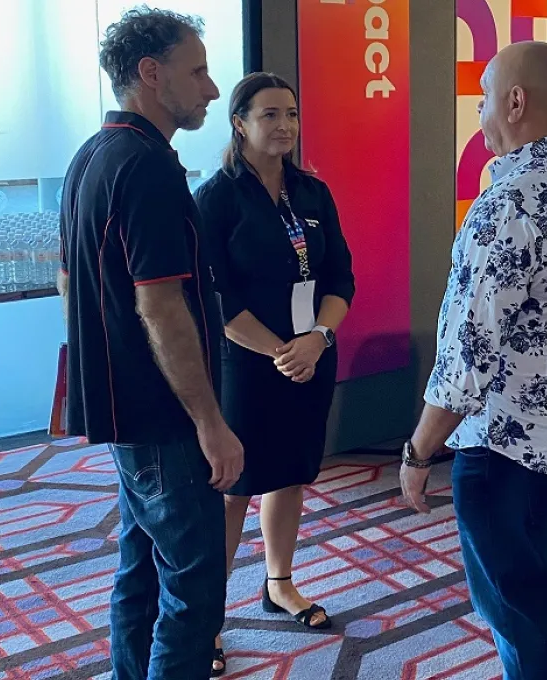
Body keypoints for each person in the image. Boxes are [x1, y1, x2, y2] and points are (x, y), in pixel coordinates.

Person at [399, 42, 547, 680]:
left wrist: (419, 453)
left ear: (515, 101)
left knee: (519, 610)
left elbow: (464, 357)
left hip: (507, 453)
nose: (479, 114)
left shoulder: (509, 205)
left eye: (482, 98)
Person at [57, 7, 242, 680]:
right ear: (150, 73)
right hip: (165, 419)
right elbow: (160, 306)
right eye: (197, 72)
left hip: (126, 411)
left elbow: (69, 280)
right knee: (194, 594)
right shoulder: (149, 169)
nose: (212, 89)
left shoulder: (91, 157)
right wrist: (210, 422)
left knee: (139, 574)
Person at [193, 72, 355, 676]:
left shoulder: (313, 193)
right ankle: (205, 617)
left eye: (291, 114)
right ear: (240, 123)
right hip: (248, 364)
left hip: (310, 356)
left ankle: (279, 583)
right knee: (235, 486)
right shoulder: (216, 199)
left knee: (290, 475)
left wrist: (316, 339)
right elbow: (216, 298)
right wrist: (279, 350)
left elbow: (341, 278)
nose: (284, 125)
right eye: (269, 115)